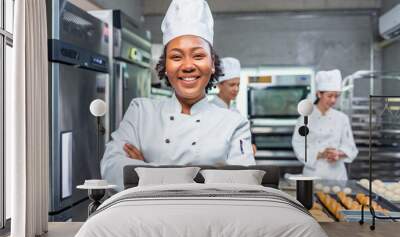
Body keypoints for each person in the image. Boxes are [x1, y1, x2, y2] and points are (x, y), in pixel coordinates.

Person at [101, 0, 255, 191]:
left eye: (198, 55)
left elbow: (244, 184)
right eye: (176, 57)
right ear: (165, 66)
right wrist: (208, 177)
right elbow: (111, 167)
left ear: (213, 64)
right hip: (148, 220)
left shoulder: (234, 124)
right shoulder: (141, 112)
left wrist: (145, 172)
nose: (188, 66)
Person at [292, 69, 358, 180]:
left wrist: (338, 154)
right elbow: (298, 145)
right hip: (313, 174)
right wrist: (320, 154)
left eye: (336, 96)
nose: (333, 100)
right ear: (319, 94)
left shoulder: (342, 118)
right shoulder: (304, 119)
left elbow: (350, 147)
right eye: (329, 95)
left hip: (337, 175)